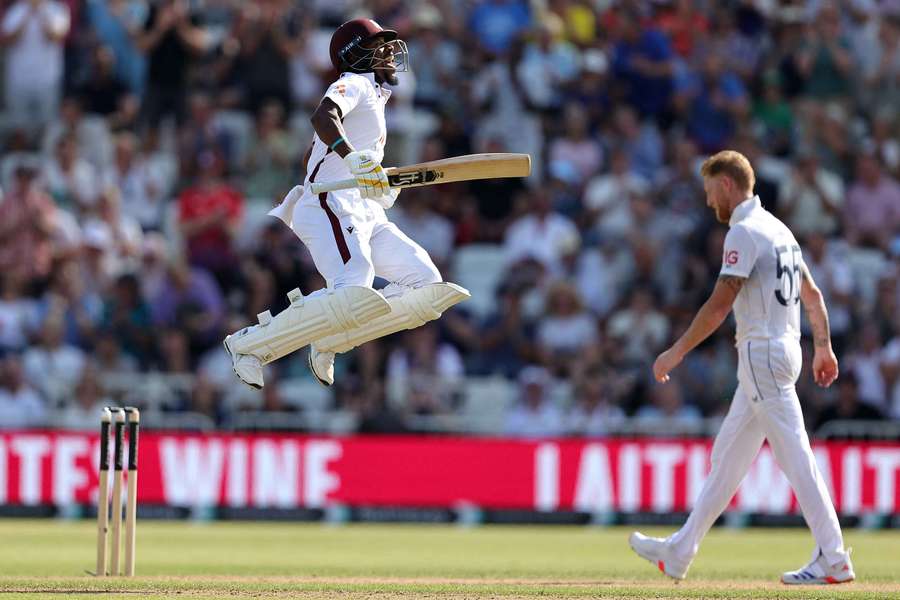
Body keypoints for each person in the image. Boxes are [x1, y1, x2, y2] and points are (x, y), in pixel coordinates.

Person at [629, 150, 854, 585]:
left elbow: (718, 306)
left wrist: (675, 352)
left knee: (796, 458)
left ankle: (834, 556)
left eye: (711, 191)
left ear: (728, 185)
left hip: (762, 353)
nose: (710, 201)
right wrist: (823, 348)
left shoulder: (744, 232)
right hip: (781, 352)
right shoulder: (779, 229)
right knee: (726, 458)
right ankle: (680, 551)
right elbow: (814, 296)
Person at [223, 18, 468, 389]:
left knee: (425, 287)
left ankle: (333, 340)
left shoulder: (375, 98)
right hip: (328, 203)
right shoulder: (354, 83)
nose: (389, 53)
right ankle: (250, 345)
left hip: (362, 208)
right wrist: (352, 158)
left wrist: (374, 180)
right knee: (355, 286)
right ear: (356, 55)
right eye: (380, 46)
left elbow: (311, 155)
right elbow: (323, 116)